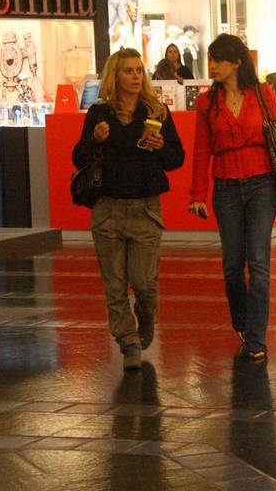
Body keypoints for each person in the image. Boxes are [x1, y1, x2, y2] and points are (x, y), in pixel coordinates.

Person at [187, 34, 276, 361]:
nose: (212, 65)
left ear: (237, 62)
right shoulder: (205, 102)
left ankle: (256, 338)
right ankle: (241, 322)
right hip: (225, 188)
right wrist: (197, 193)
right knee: (232, 265)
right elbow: (201, 150)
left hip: (262, 185)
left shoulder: (262, 93)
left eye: (219, 60)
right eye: (210, 60)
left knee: (258, 262)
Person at [72, 48, 185, 370]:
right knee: (115, 283)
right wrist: (94, 140)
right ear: (115, 76)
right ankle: (128, 342)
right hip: (107, 207)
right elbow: (78, 158)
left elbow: (177, 159)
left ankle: (146, 314)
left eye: (139, 70)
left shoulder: (157, 111)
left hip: (145, 207)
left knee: (144, 282)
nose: (136, 76)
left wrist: (161, 146)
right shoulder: (100, 113)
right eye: (128, 71)